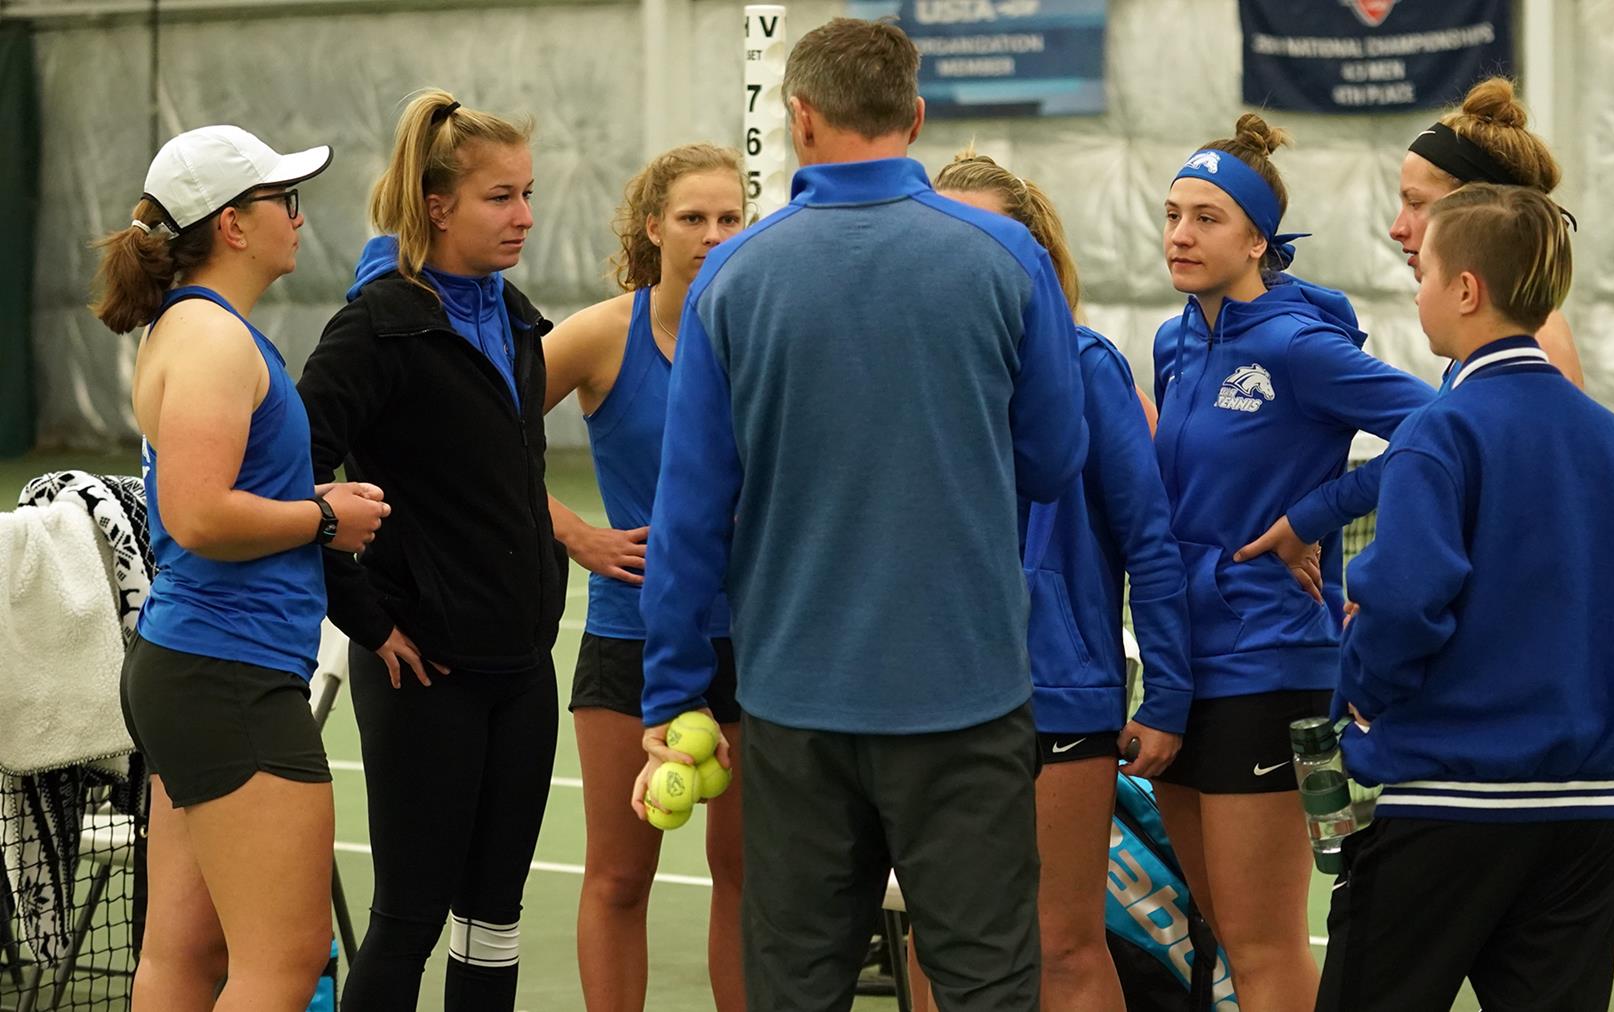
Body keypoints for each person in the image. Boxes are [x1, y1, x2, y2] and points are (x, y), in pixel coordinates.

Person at [633, 17, 1087, 1010]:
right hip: (966, 691)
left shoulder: (731, 277)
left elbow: (689, 512)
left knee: (797, 984)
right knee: (988, 982)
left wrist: (672, 692)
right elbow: (1055, 460)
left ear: (799, 118)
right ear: (914, 117)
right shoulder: (1007, 256)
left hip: (796, 703)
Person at [1317, 183, 1614, 1011]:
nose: (1417, 292)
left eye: (1425, 273)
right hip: (1589, 816)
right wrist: (1610, 694)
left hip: (1448, 808)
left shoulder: (1441, 431)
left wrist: (1362, 691)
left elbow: (1406, 598)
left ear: (1466, 289)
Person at [1146, 115, 1437, 1011]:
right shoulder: (1172, 343)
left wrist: (1318, 515)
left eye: (1208, 218)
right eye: (1173, 215)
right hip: (1181, 666)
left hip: (1269, 666)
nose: (1182, 235)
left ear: (1257, 241)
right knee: (1215, 930)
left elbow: (1444, 429)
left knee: (1262, 942)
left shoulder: (1299, 348)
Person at [100, 124, 385, 1009]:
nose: (297, 217)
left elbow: (207, 498)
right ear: (232, 223)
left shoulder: (200, 330)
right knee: (286, 962)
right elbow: (197, 514)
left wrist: (308, 506)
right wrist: (324, 517)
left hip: (201, 669)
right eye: (283, 201)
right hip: (230, 674)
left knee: (185, 955)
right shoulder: (213, 340)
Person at [296, 89, 562, 1012]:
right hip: (424, 673)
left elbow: (511, 484)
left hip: (523, 669)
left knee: (494, 922)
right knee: (408, 920)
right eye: (501, 197)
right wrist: (370, 622)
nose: (524, 216)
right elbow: (289, 481)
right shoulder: (377, 327)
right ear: (437, 205)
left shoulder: (518, 318)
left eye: (528, 194)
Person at [930, 150, 1189, 1012]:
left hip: (1062, 697)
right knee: (939, 937)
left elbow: (1150, 540)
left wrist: (1167, 696)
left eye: (989, 234)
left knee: (1063, 945)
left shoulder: (1086, 366)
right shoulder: (909, 370)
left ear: (1033, 254)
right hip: (933, 696)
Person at [541, 143, 748, 1011]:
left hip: (754, 642)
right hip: (630, 636)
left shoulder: (761, 330)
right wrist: (574, 533)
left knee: (747, 876)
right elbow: (478, 434)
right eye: (693, 218)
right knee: (620, 878)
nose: (712, 235)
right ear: (654, 227)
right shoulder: (601, 335)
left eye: (730, 218)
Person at [1239, 77, 1585, 582]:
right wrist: (1312, 516)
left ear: (1472, 209)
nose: (1397, 227)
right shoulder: (1494, 339)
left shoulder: (1533, 342)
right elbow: (1440, 446)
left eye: (1416, 202)